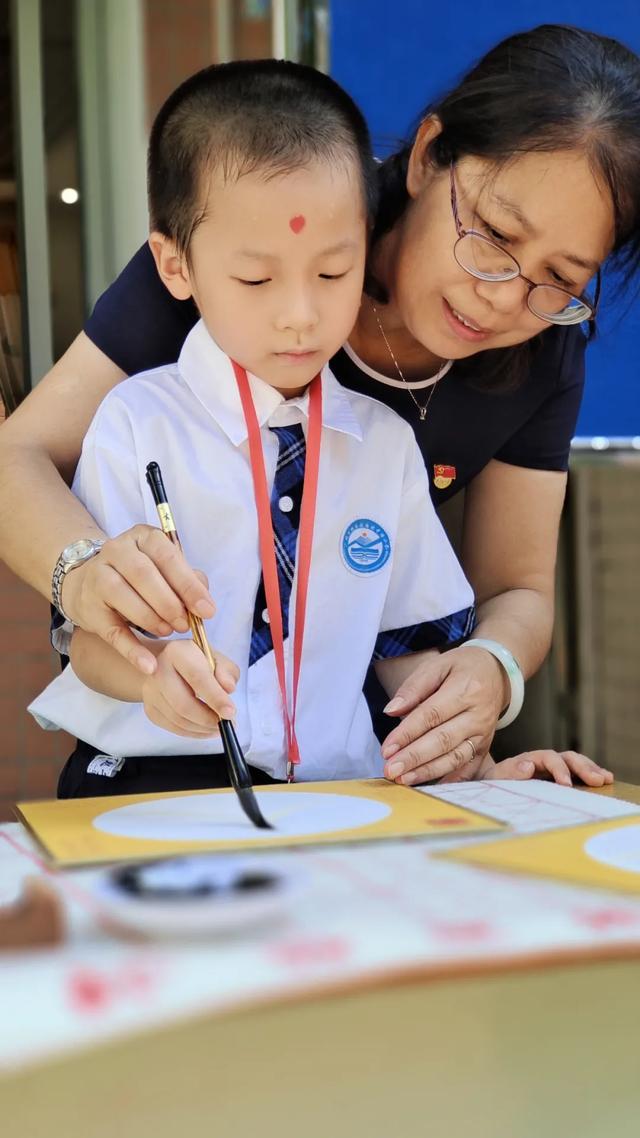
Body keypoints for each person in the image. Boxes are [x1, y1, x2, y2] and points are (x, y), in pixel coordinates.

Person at [3, 24, 636, 785]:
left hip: (344, 775)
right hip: (163, 771)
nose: (503, 297)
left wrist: (480, 697)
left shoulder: (505, 366)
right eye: (495, 235)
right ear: (430, 154)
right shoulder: (256, 222)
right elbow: (18, 459)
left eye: (560, 277)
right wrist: (91, 578)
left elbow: (508, 593)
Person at [29, 58, 479, 796]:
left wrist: (478, 754)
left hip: (337, 794)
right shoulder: (137, 422)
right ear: (176, 267)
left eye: (333, 273)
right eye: (256, 279)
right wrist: (150, 678)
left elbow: (412, 647)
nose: (300, 313)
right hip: (152, 781)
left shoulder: (385, 444)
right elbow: (86, 642)